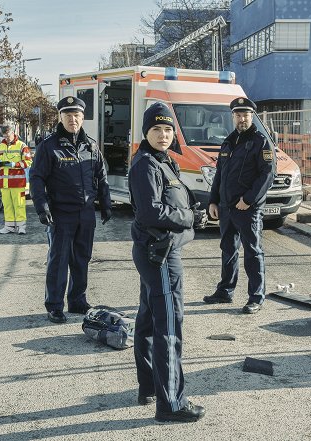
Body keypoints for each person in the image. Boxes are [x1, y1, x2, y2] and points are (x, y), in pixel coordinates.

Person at [129, 102, 207, 423]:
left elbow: (174, 201)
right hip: (159, 255)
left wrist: (194, 211)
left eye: (168, 129)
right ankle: (171, 403)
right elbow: (151, 212)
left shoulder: (165, 162)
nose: (163, 135)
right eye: (156, 129)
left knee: (148, 321)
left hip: (158, 251)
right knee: (169, 326)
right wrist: (189, 217)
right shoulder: (145, 164)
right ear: (146, 132)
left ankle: (149, 385)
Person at [30, 96, 112, 324]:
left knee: (82, 259)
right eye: (68, 116)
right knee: (59, 260)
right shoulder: (49, 146)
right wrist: (41, 206)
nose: (72, 120)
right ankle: (55, 305)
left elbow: (100, 176)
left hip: (85, 213)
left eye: (76, 116)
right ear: (61, 118)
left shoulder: (91, 146)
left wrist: (105, 203)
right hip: (60, 214)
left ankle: (77, 300)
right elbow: (36, 178)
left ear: (83, 118)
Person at [203, 97, 277, 314]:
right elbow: (220, 175)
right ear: (233, 117)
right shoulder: (228, 141)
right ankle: (225, 291)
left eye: (245, 114)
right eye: (238, 114)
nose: (242, 118)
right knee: (228, 250)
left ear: (251, 116)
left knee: (253, 252)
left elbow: (267, 175)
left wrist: (249, 199)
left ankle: (256, 297)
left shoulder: (261, 142)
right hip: (226, 208)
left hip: (247, 209)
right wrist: (213, 201)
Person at [0, 126, 32, 234]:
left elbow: (28, 162)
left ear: (13, 133)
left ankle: (21, 227)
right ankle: (9, 226)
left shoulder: (22, 146)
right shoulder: (0, 146)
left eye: (8, 136)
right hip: (4, 183)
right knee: (7, 204)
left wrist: (15, 164)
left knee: (19, 204)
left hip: (17, 182)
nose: (7, 138)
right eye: (5, 136)